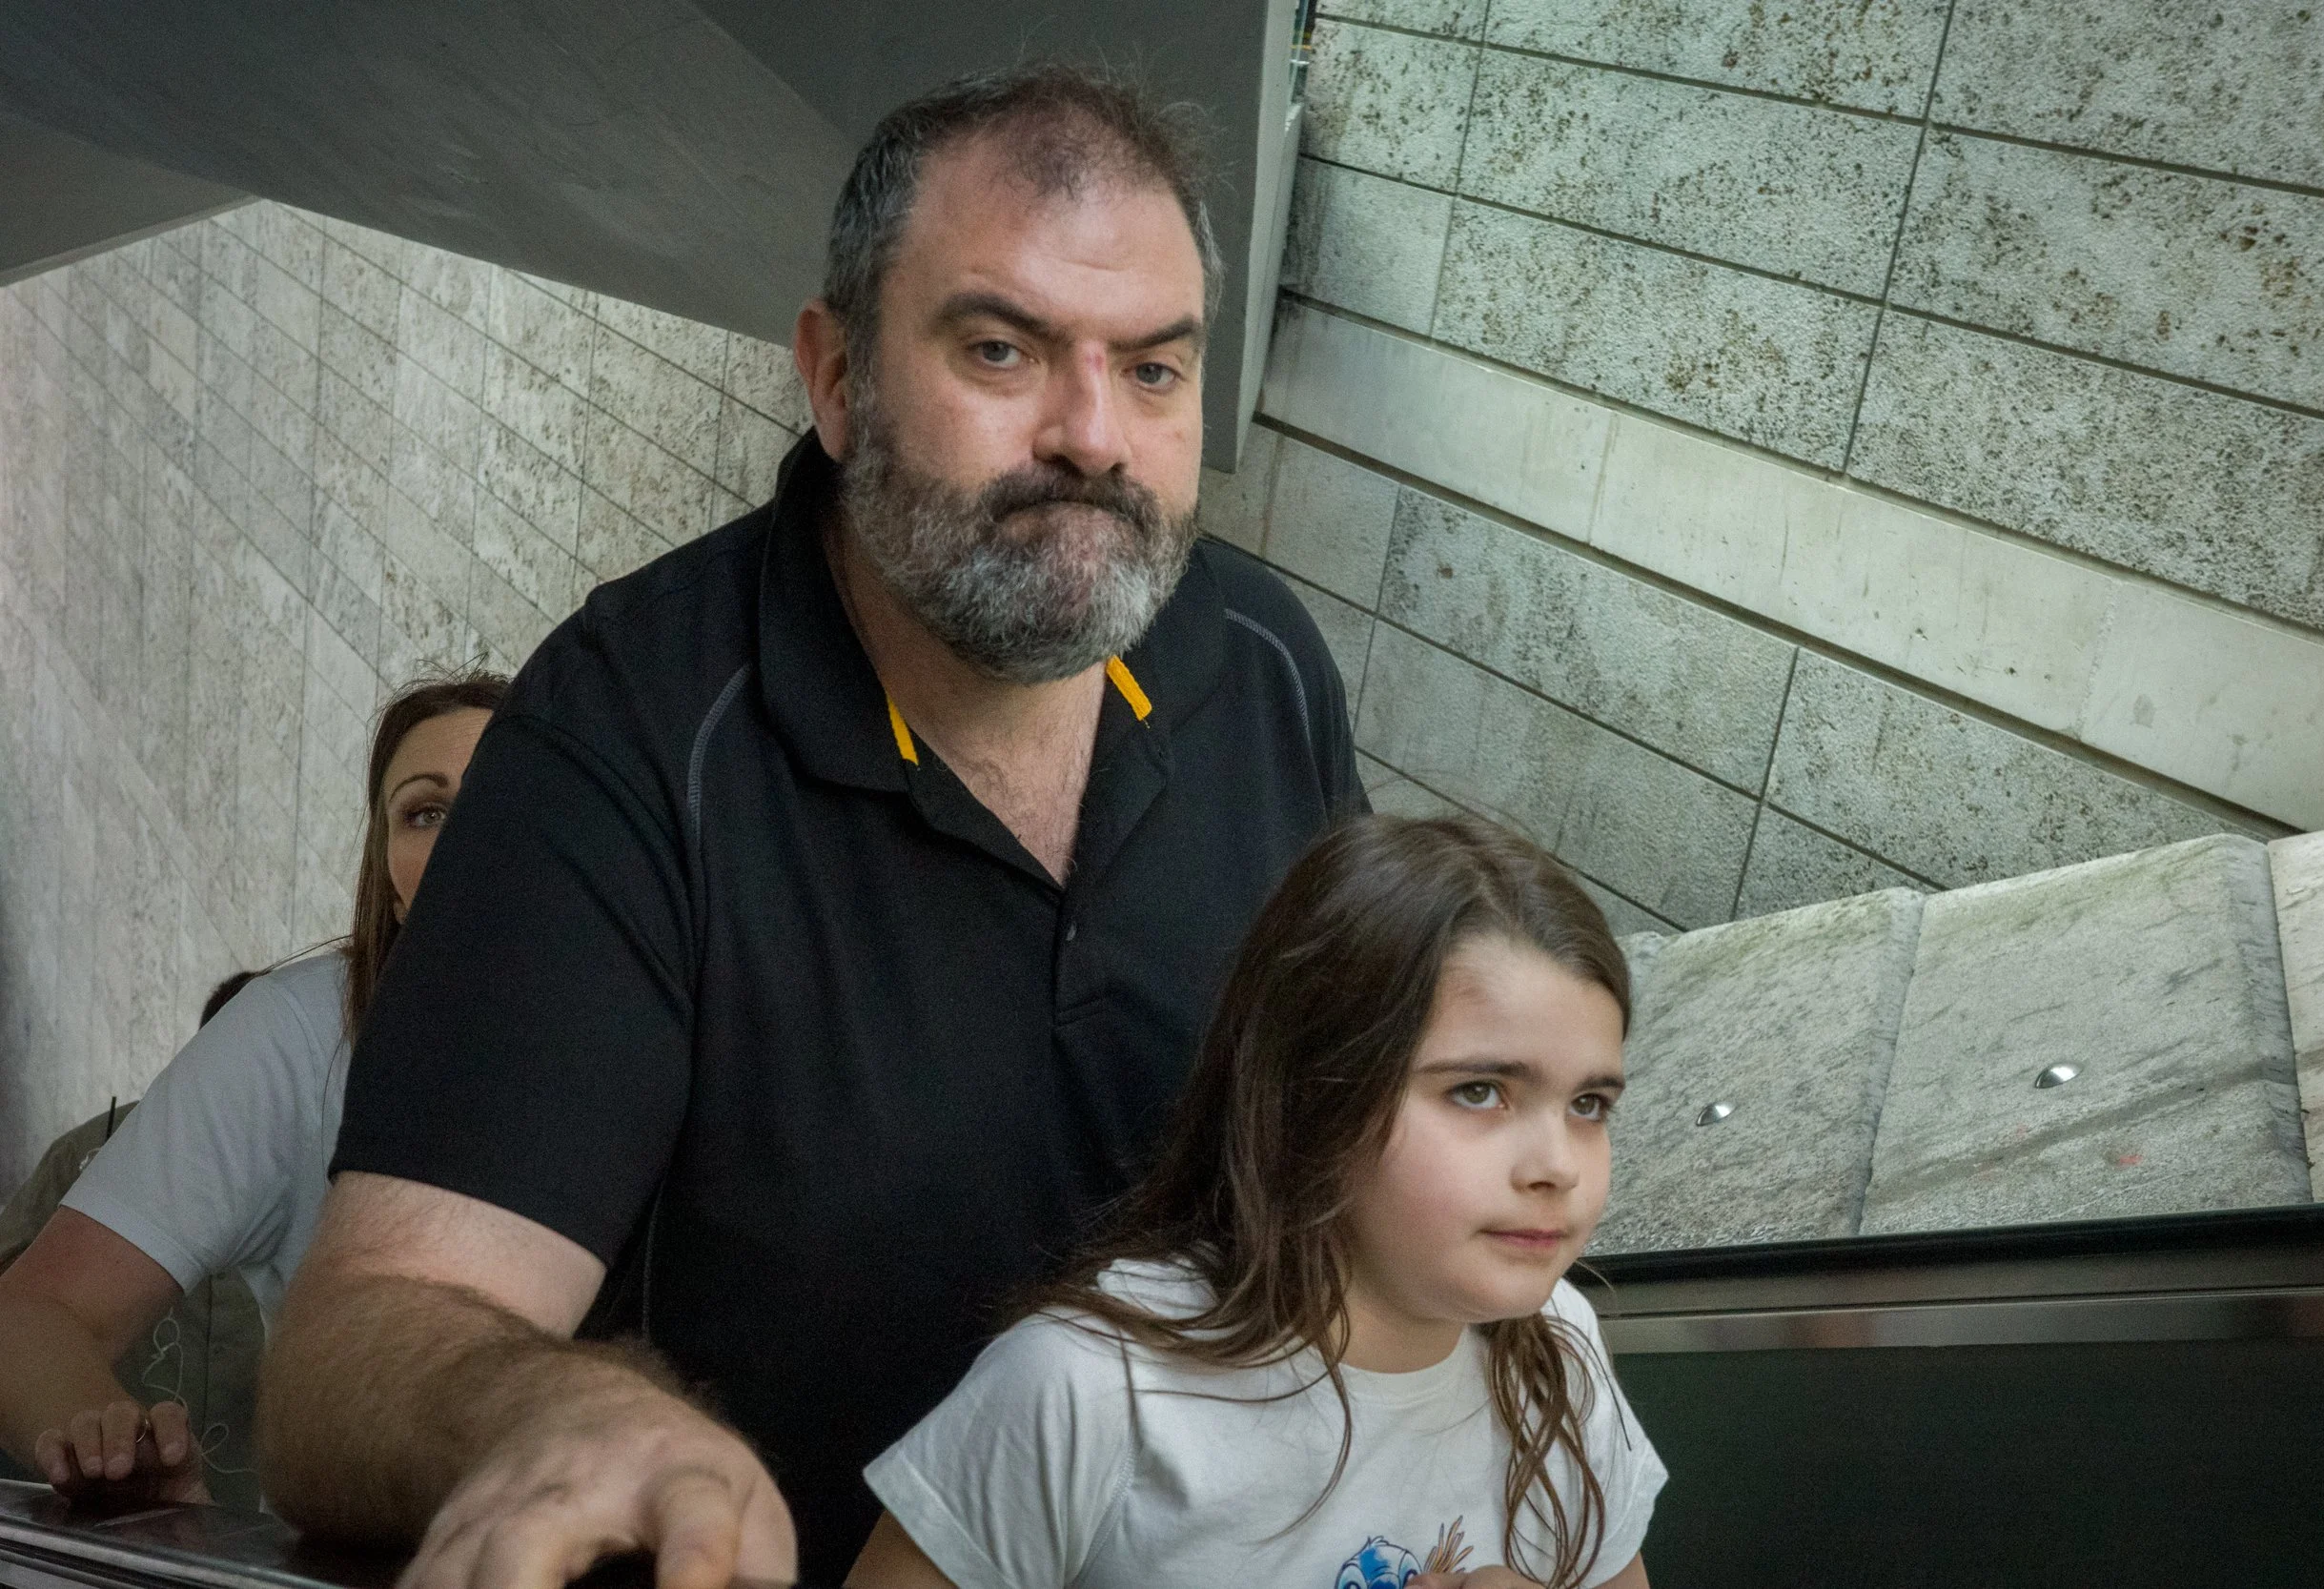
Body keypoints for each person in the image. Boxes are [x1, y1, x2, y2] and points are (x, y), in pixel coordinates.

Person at [259, 61, 1361, 1589]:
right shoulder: (626, 736)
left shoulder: (1265, 665)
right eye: (1002, 347)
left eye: (1156, 369)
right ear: (838, 379)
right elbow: (350, 1347)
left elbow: (1355, 1132)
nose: (1095, 435)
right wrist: (563, 1412)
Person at [844, 814, 1661, 1589]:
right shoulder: (1085, 1391)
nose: (1557, 1163)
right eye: (1479, 1090)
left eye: (1590, 1104)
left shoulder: (1560, 1349)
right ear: (1311, 1094)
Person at [0, 669, 509, 1504]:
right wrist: (112, 1447)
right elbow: (30, 1312)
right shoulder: (299, 1036)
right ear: (386, 869)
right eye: (424, 811)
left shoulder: (681, 1009)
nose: (463, 837)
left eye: (502, 794)